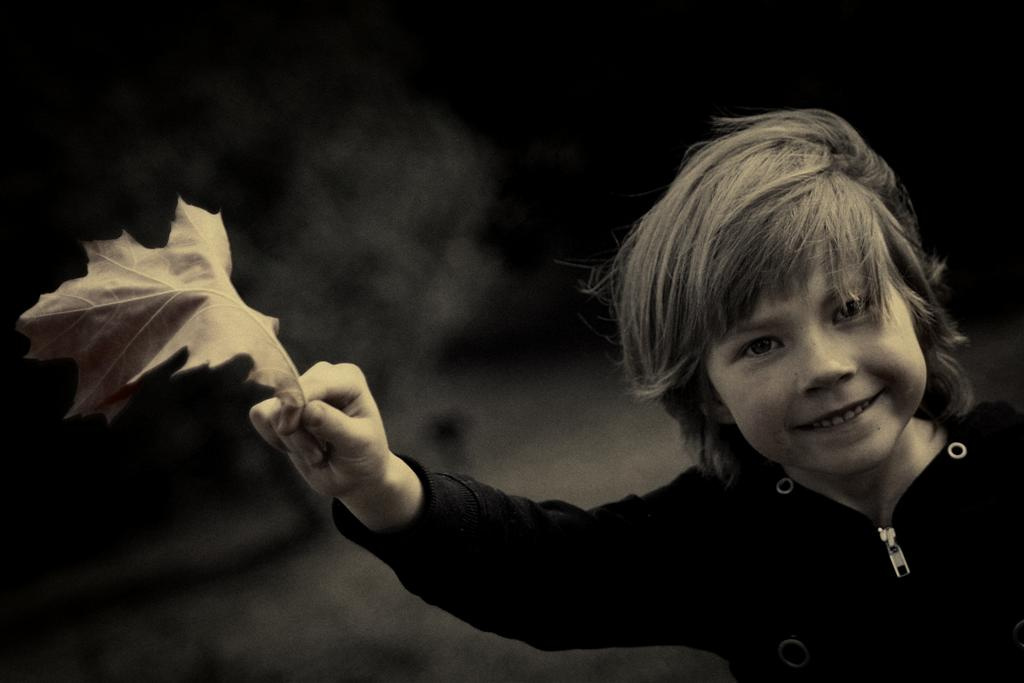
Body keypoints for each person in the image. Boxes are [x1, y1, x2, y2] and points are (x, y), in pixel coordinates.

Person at [249, 109, 1024, 680]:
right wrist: (380, 484)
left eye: (850, 308)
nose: (824, 366)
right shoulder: (721, 537)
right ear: (709, 395)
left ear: (917, 310)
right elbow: (543, 575)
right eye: (760, 344)